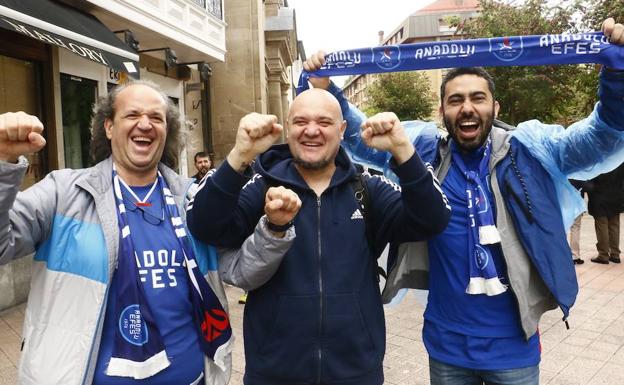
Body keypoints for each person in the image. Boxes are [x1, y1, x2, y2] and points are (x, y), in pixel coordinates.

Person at [303, 16, 624, 385]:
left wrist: (616, 78)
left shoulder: (531, 150)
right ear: (443, 112)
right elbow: (362, 141)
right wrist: (329, 90)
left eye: (478, 98)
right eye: (455, 100)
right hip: (446, 348)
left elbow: (600, 140)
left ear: (496, 108)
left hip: (514, 350)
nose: (467, 107)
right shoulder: (423, 151)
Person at [0, 80, 293, 385]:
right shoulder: (64, 192)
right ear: (109, 127)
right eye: (132, 115)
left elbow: (240, 273)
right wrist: (3, 162)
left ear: (167, 132)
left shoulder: (192, 199)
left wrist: (274, 228)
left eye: (156, 117)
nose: (145, 124)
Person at [186, 87, 451, 384]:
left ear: (341, 131)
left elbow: (433, 219)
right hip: (274, 373)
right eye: (301, 122)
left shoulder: (366, 188)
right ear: (288, 128)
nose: (311, 131)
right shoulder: (261, 186)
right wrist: (240, 155)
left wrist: (402, 150)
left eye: (324, 123)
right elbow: (204, 225)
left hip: (356, 372)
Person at [587, 162, 624, 264]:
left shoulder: (598, 160)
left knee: (602, 225)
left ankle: (603, 255)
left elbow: (589, 179)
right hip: (616, 197)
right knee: (614, 226)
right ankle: (615, 254)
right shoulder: (619, 158)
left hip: (599, 198)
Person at [568, 179, 590, 265]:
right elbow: (588, 186)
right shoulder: (578, 172)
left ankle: (562, 255)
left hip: (563, 202)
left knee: (562, 229)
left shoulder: (561, 170)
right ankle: (575, 255)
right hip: (577, 203)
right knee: (575, 228)